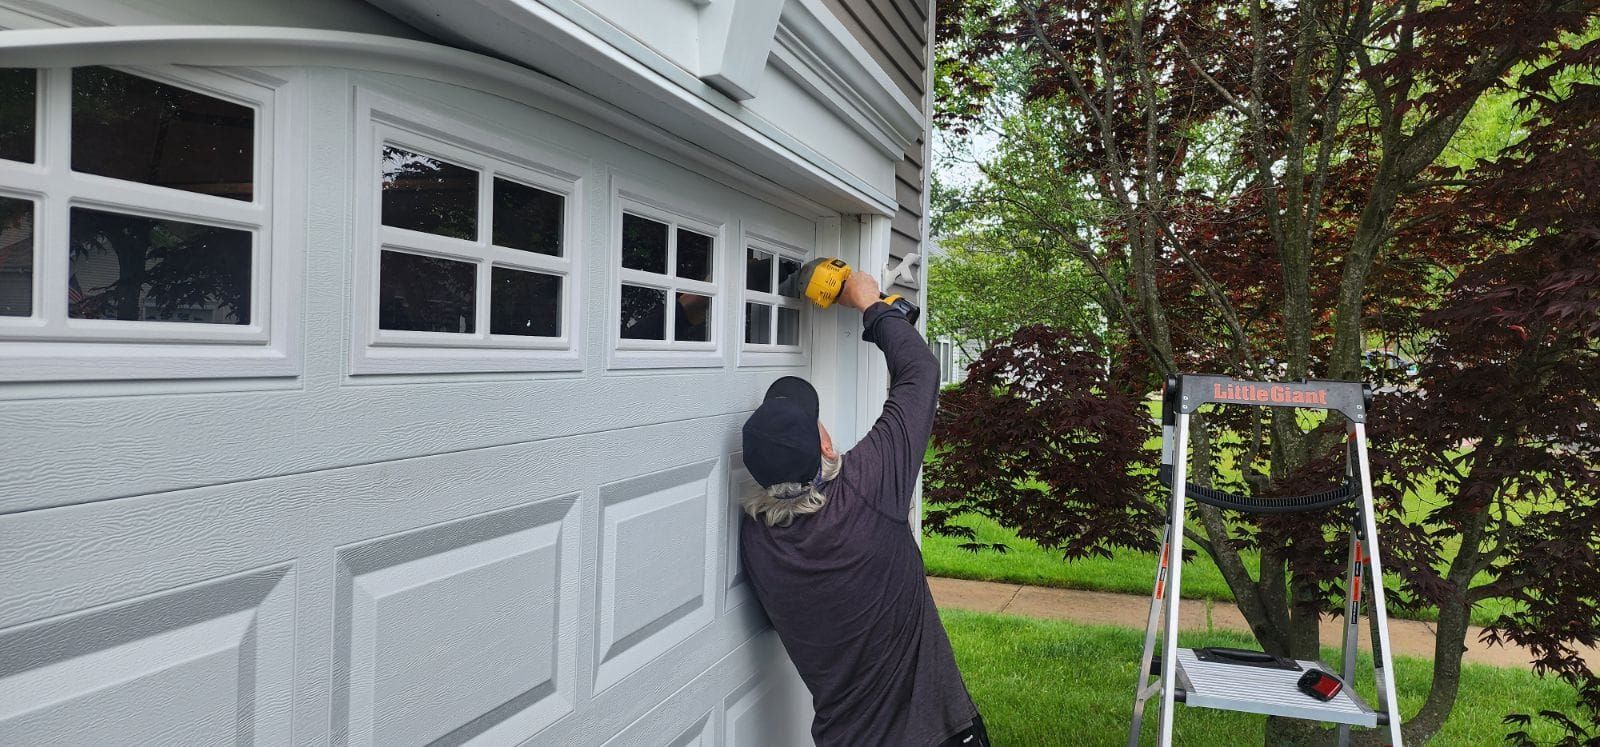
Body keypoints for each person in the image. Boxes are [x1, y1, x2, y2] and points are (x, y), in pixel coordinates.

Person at [739, 271, 988, 746]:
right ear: (827, 447)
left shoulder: (758, 541)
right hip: (936, 734)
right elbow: (920, 373)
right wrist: (871, 304)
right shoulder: (866, 488)